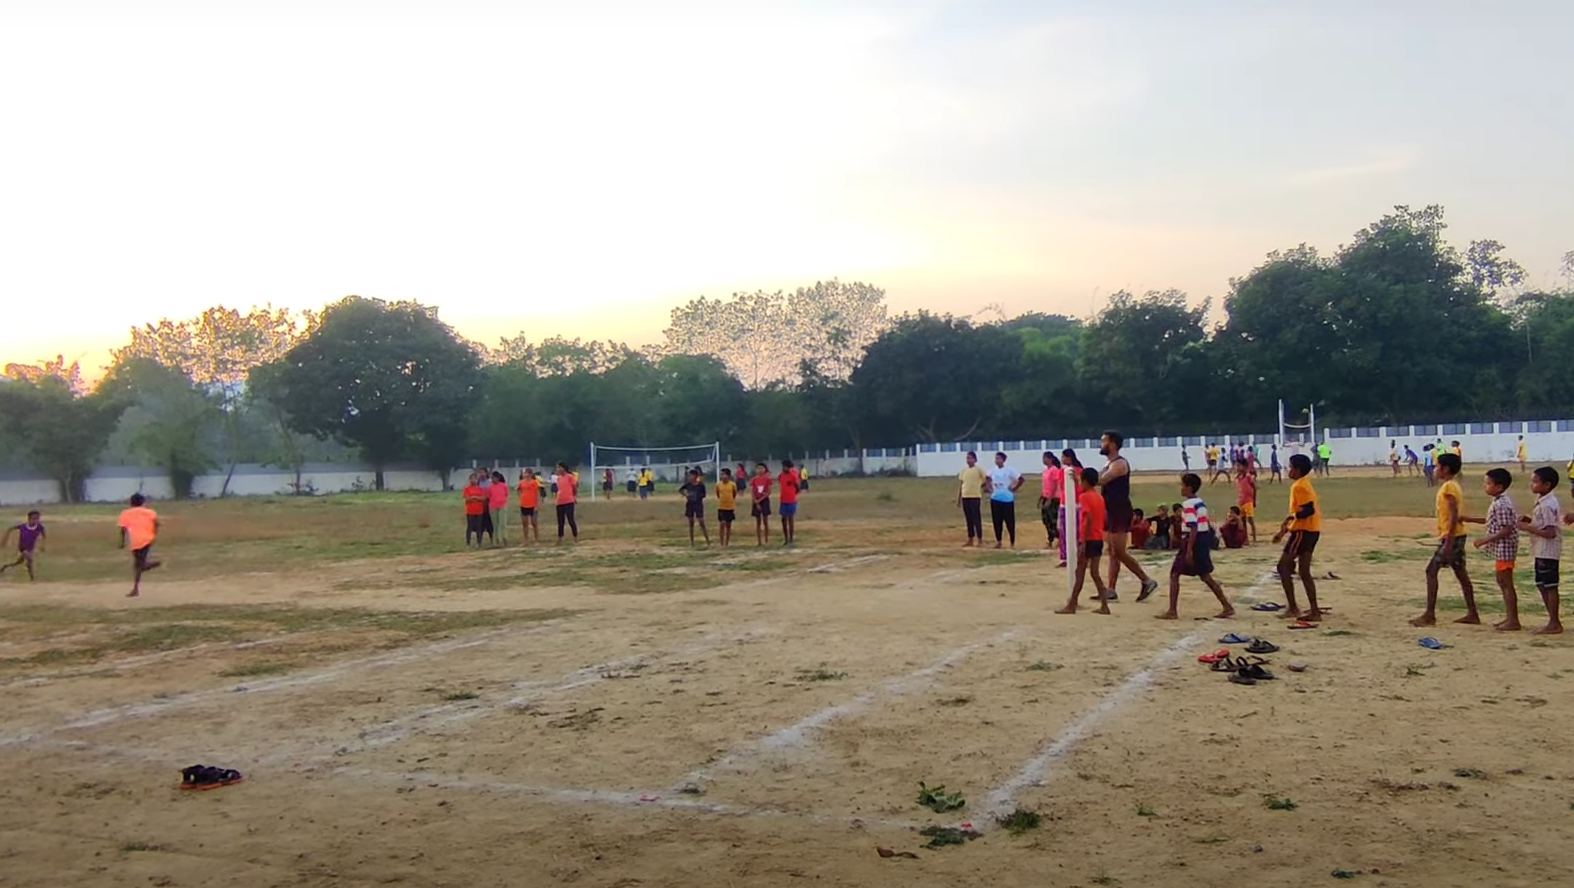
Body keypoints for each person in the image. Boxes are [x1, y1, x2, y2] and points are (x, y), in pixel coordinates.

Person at [1412, 453, 1479, 627]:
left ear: (1445, 469)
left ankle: (1429, 615)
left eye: (1437, 466)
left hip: (1453, 536)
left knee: (1431, 571)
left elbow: (1454, 513)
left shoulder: (1449, 488)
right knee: (1461, 574)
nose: (1435, 469)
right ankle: (1472, 613)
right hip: (1456, 535)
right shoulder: (1453, 486)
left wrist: (1448, 540)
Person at [1157, 473, 1233, 620]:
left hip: (1193, 541)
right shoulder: (1200, 502)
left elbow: (1193, 527)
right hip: (1202, 539)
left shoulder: (1188, 505)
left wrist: (1189, 550)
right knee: (1205, 576)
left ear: (1189, 488)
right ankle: (1226, 606)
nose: (1181, 488)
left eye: (1182, 485)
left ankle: (1172, 610)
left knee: (1175, 574)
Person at [1097, 431, 1160, 602]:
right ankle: (1111, 589)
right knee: (1112, 552)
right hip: (1111, 510)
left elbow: (1101, 480)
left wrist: (1080, 476)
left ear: (1113, 444)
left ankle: (1146, 581)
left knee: (1118, 551)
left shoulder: (1119, 464)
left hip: (1120, 510)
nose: (1101, 444)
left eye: (1104, 441)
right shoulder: (1109, 463)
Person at [1270, 454, 1324, 621]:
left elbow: (1308, 510)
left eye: (1290, 466)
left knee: (1283, 567)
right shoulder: (1304, 483)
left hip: (1303, 531)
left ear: (1297, 470)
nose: (1288, 469)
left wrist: (1291, 523)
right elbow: (1302, 511)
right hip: (1311, 530)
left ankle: (1293, 607)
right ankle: (1314, 611)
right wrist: (1285, 528)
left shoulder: (1299, 486)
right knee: (1304, 571)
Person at [1469, 468, 1521, 631]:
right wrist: (1468, 519)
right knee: (1503, 582)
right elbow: (1492, 522)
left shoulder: (1502, 504)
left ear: (1499, 487)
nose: (1485, 486)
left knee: (1505, 583)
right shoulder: (1499, 501)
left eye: (1488, 483)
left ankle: (1513, 620)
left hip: (1505, 549)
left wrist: (1485, 540)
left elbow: (1505, 530)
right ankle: (1510, 618)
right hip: (1502, 548)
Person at [1056, 467, 1111, 615]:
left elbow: (1088, 519)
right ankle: (1104, 605)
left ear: (1085, 481)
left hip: (1089, 538)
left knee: (1079, 572)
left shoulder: (1084, 498)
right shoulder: (1099, 498)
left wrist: (1083, 542)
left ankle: (1072, 604)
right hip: (1098, 538)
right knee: (1094, 573)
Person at [1521, 466, 1563, 635]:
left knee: (1550, 585)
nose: (1532, 485)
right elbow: (1543, 524)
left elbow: (1550, 532)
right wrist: (1530, 522)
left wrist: (1527, 528)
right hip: (1541, 549)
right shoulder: (1544, 501)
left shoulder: (1547, 505)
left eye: (1535, 482)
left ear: (1547, 485)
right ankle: (1552, 620)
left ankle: (1554, 622)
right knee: (1542, 584)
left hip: (1548, 550)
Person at [117, 494, 161, 598]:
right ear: (143, 502)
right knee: (138, 565)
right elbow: (157, 524)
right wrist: (153, 534)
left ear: (131, 502)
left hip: (135, 541)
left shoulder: (125, 513)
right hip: (147, 539)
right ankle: (146, 568)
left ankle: (136, 587)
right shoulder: (150, 512)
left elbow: (123, 529)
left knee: (138, 565)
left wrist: (122, 542)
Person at [984, 451, 1023, 549]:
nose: (997, 460)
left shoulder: (1009, 470)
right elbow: (987, 478)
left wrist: (1014, 488)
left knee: (1010, 521)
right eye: (996, 458)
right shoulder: (992, 470)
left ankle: (1012, 542)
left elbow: (1021, 479)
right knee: (997, 521)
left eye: (999, 458)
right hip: (995, 498)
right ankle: (999, 541)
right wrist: (989, 488)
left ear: (1003, 460)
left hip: (1007, 499)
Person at [0, 510, 45, 580]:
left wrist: (42, 545)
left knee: (19, 562)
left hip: (30, 548)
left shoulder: (39, 527)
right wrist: (5, 539)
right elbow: (10, 529)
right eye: (34, 518)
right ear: (29, 519)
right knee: (29, 559)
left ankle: (5, 567)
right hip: (22, 547)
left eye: (38, 518)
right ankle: (32, 577)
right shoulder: (23, 526)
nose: (37, 520)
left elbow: (43, 536)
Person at [1056, 449, 1082, 567]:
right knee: (1064, 531)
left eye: (1063, 457)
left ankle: (1078, 555)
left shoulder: (1080, 471)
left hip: (1077, 504)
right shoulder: (1061, 472)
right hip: (1065, 503)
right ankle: (1065, 556)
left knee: (1078, 531)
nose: (1062, 459)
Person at [957, 451, 987, 547]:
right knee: (968, 518)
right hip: (966, 496)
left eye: (970, 458)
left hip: (975, 496)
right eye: (967, 458)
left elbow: (986, 479)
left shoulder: (979, 469)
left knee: (976, 518)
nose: (968, 460)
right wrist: (959, 498)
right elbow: (961, 484)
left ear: (975, 459)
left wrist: (981, 487)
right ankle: (970, 538)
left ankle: (980, 539)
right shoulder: (964, 470)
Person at [678, 468, 711, 547]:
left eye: (691, 475)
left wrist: (697, 496)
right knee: (691, 523)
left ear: (696, 476)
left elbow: (704, 495)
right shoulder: (688, 484)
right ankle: (692, 542)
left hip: (698, 505)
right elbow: (680, 490)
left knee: (701, 522)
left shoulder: (700, 485)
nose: (690, 477)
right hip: (690, 505)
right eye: (689, 475)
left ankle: (707, 540)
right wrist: (686, 495)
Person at [1039, 452, 1063, 549]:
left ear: (1050, 459)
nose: (1043, 460)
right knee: (1046, 520)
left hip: (1054, 498)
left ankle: (1059, 538)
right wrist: (1042, 496)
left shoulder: (1054, 470)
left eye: (1045, 458)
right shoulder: (1045, 471)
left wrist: (1050, 498)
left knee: (1053, 519)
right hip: (1046, 497)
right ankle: (1050, 539)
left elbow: (1055, 485)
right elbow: (1046, 485)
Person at [554, 461, 579, 543]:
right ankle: (560, 538)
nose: (558, 469)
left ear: (563, 468)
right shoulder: (558, 478)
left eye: (559, 467)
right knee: (560, 521)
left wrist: (574, 496)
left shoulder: (570, 477)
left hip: (569, 501)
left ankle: (575, 537)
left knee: (570, 519)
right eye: (557, 467)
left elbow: (574, 488)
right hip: (560, 501)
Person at [749, 462, 773, 546]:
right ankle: (759, 541)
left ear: (765, 469)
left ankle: (766, 539)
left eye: (761, 468)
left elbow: (769, 492)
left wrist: (760, 500)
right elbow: (752, 491)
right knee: (758, 521)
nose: (760, 470)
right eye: (758, 468)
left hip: (764, 500)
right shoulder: (754, 479)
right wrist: (755, 501)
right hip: (756, 501)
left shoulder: (767, 479)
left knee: (765, 520)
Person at [778, 459, 801, 546]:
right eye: (783, 466)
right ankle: (786, 538)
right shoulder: (781, 476)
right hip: (783, 500)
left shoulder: (793, 475)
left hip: (791, 500)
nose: (784, 468)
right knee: (783, 519)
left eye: (786, 467)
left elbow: (797, 486)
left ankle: (791, 538)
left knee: (790, 519)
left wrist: (794, 494)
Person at [1235, 459, 1258, 545]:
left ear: (1245, 467)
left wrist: (1254, 500)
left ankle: (1254, 538)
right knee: (1243, 521)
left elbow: (1254, 488)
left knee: (1250, 520)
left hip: (1248, 501)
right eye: (1237, 466)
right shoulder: (1238, 478)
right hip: (1241, 502)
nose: (1237, 468)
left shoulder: (1248, 477)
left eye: (1239, 466)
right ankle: (1246, 539)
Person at [462, 473, 487, 549]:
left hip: (479, 511)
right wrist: (477, 498)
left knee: (479, 527)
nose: (473, 480)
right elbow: (467, 499)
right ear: (470, 480)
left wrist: (474, 497)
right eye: (472, 479)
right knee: (469, 527)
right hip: (470, 511)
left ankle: (479, 543)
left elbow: (483, 498)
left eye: (475, 479)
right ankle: (468, 544)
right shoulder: (466, 489)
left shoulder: (480, 489)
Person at [715, 467, 738, 547]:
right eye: (721, 474)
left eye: (723, 474)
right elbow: (717, 494)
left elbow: (734, 494)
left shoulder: (732, 485)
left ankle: (727, 542)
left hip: (730, 507)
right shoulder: (718, 485)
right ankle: (721, 543)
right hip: (721, 507)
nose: (722, 476)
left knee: (728, 525)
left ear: (728, 475)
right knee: (722, 524)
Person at [517, 469, 541, 543]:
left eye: (525, 473)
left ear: (530, 474)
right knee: (525, 523)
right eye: (524, 473)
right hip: (524, 505)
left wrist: (536, 505)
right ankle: (526, 540)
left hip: (532, 505)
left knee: (534, 523)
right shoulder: (521, 482)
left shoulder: (534, 482)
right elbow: (518, 489)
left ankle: (536, 540)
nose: (524, 474)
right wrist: (520, 496)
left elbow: (537, 494)